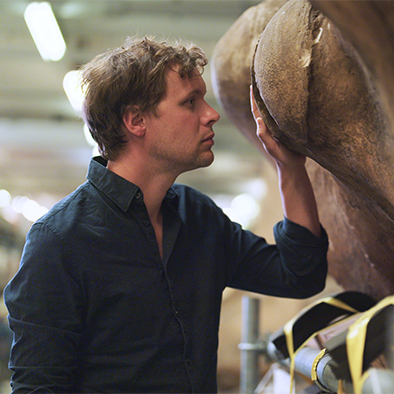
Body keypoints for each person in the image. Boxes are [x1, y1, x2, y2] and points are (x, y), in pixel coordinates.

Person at [4, 36, 328, 393]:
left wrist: (291, 169)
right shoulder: (60, 241)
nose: (211, 114)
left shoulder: (198, 217)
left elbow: (299, 275)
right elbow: (38, 386)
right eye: (190, 102)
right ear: (136, 120)